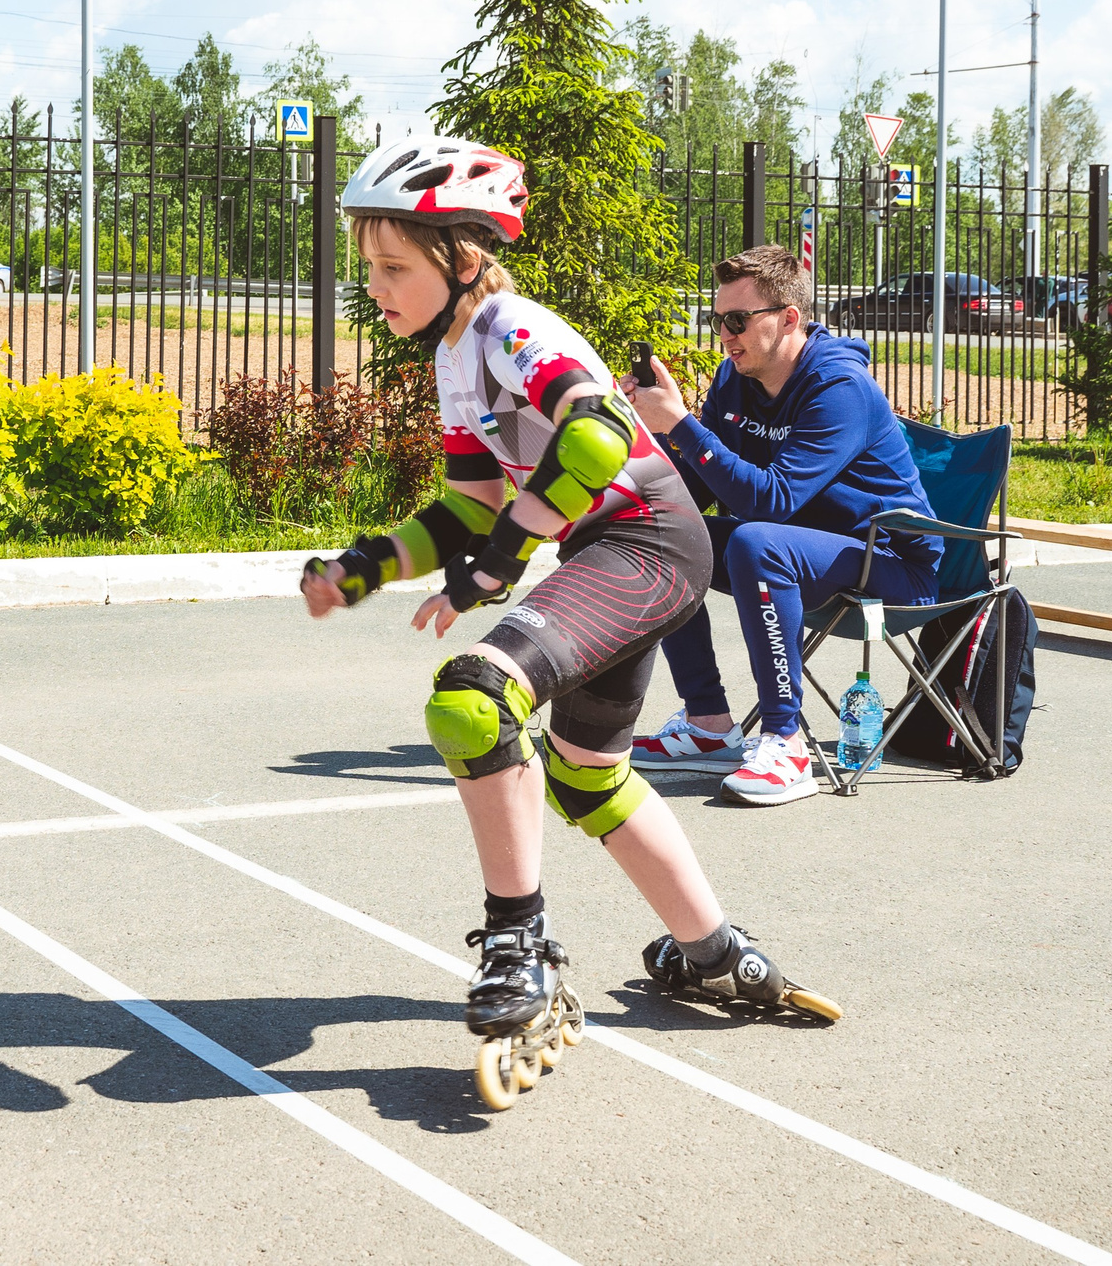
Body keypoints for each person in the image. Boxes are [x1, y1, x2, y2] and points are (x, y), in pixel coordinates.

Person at [300, 135, 818, 1046]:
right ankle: (715, 952)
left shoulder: (510, 327)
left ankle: (518, 942)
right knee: (586, 777)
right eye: (367, 266)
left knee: (473, 699)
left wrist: (497, 567)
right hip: (612, 551)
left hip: (648, 541)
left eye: (390, 266)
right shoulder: (455, 356)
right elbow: (469, 504)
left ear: (461, 260)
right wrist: (366, 567)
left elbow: (596, 441)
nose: (373, 287)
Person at [625, 245, 940, 806]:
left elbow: (770, 502)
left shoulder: (839, 388)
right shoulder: (735, 380)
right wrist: (646, 452)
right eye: (719, 319)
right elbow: (699, 489)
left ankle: (787, 743)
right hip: (801, 546)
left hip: (890, 559)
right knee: (662, 536)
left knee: (755, 540)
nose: (725, 333)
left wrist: (681, 423)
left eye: (738, 320)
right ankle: (710, 724)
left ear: (787, 318)